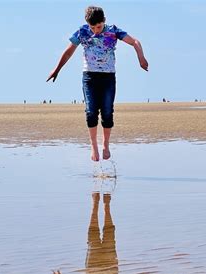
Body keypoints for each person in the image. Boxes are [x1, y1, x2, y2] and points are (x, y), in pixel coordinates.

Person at [47, 6, 148, 161]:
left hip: (108, 77)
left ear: (104, 21)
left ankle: (106, 144)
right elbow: (68, 52)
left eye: (99, 27)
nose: (95, 31)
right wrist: (57, 69)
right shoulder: (82, 31)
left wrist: (141, 57)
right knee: (91, 111)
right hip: (89, 77)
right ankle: (94, 145)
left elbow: (135, 41)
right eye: (92, 27)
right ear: (88, 24)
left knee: (107, 112)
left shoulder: (113, 31)